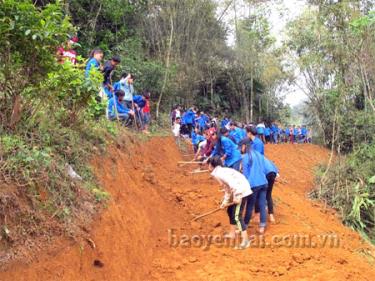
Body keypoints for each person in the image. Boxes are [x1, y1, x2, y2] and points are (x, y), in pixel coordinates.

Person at [208, 156, 252, 250]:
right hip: (239, 189)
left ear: (211, 165)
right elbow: (227, 188)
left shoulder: (219, 173)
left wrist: (238, 196)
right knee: (230, 211)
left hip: (241, 191)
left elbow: (233, 184)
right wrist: (225, 202)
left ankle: (245, 241)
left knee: (237, 216)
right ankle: (232, 233)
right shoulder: (220, 171)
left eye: (208, 164)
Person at [242, 145, 268, 234]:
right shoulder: (258, 154)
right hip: (264, 182)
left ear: (244, 146)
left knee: (250, 205)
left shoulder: (246, 156)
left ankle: (244, 225)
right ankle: (262, 227)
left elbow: (246, 174)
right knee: (262, 205)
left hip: (254, 184)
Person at [254, 157, 279, 223]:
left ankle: (257, 216)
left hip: (265, 174)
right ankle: (271, 216)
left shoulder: (253, 159)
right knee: (268, 194)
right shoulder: (266, 159)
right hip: (273, 173)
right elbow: (276, 170)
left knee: (257, 194)